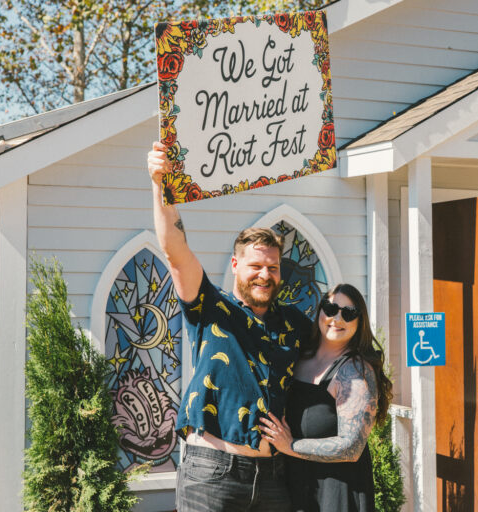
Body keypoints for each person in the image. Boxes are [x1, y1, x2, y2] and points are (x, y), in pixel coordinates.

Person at [147, 141, 312, 512]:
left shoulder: (295, 324)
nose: (265, 275)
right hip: (212, 473)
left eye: (272, 267)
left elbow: (329, 359)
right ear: (236, 266)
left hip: (272, 476)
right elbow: (175, 250)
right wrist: (161, 184)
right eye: (255, 266)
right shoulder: (210, 306)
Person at [260, 284, 393, 512]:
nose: (337, 318)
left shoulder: (354, 371)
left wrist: (290, 445)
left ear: (360, 322)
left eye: (349, 313)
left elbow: (351, 447)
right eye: (330, 308)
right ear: (320, 311)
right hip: (295, 487)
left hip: (337, 493)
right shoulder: (300, 357)